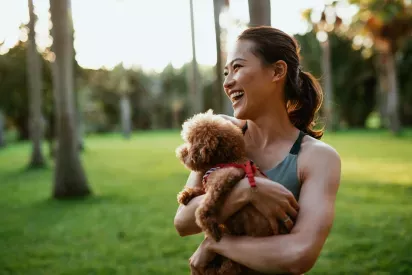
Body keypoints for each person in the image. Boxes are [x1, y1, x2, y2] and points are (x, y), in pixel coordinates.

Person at [174, 26, 341, 275]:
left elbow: (299, 254)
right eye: (225, 72)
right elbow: (183, 222)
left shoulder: (317, 158)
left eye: (238, 67)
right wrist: (247, 190)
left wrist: (217, 244)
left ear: (277, 71)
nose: (227, 82)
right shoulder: (220, 135)